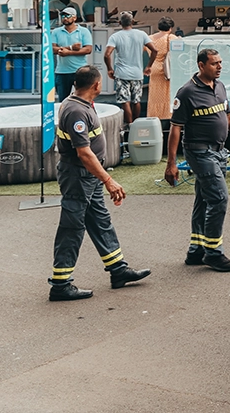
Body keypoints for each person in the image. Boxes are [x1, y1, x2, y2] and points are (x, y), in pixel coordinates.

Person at [48, 65, 150, 300]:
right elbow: (84, 153)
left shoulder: (79, 103)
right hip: (78, 176)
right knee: (72, 227)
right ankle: (61, 284)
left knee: (100, 220)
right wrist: (108, 180)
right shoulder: (75, 111)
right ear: (96, 85)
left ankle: (118, 270)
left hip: (88, 176)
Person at [164, 48, 230, 271]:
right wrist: (171, 163)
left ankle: (196, 250)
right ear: (201, 65)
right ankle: (214, 253)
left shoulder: (219, 87)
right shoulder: (186, 93)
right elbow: (175, 129)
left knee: (204, 199)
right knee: (219, 198)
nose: (219, 67)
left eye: (220, 63)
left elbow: (228, 116)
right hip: (199, 152)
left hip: (219, 151)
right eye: (214, 63)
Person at [104, 13, 156, 125]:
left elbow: (107, 55)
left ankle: (129, 125)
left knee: (125, 101)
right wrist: (149, 66)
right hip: (137, 74)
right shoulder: (141, 34)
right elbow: (155, 50)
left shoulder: (115, 36)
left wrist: (109, 69)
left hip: (121, 74)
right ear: (132, 22)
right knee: (136, 101)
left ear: (119, 23)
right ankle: (136, 125)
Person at [145, 18, 176, 144]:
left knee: (154, 95)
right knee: (168, 94)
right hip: (167, 70)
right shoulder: (172, 38)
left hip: (154, 68)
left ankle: (155, 117)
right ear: (171, 27)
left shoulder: (149, 38)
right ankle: (168, 115)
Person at [52, 8, 93, 100]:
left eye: (68, 16)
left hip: (80, 70)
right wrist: (70, 47)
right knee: (63, 100)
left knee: (83, 98)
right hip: (62, 71)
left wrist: (68, 52)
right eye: (63, 16)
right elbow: (52, 49)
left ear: (74, 18)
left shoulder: (84, 31)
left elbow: (88, 49)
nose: (65, 18)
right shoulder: (56, 31)